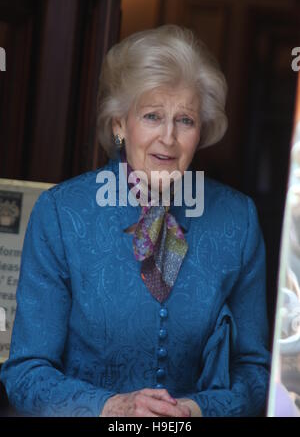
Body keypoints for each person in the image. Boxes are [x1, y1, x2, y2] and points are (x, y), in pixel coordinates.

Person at [0, 25, 270, 417]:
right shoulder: (61, 214)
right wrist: (114, 408)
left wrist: (195, 411)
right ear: (119, 124)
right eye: (151, 116)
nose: (168, 138)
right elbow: (25, 373)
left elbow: (255, 371)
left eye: (186, 121)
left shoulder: (238, 220)